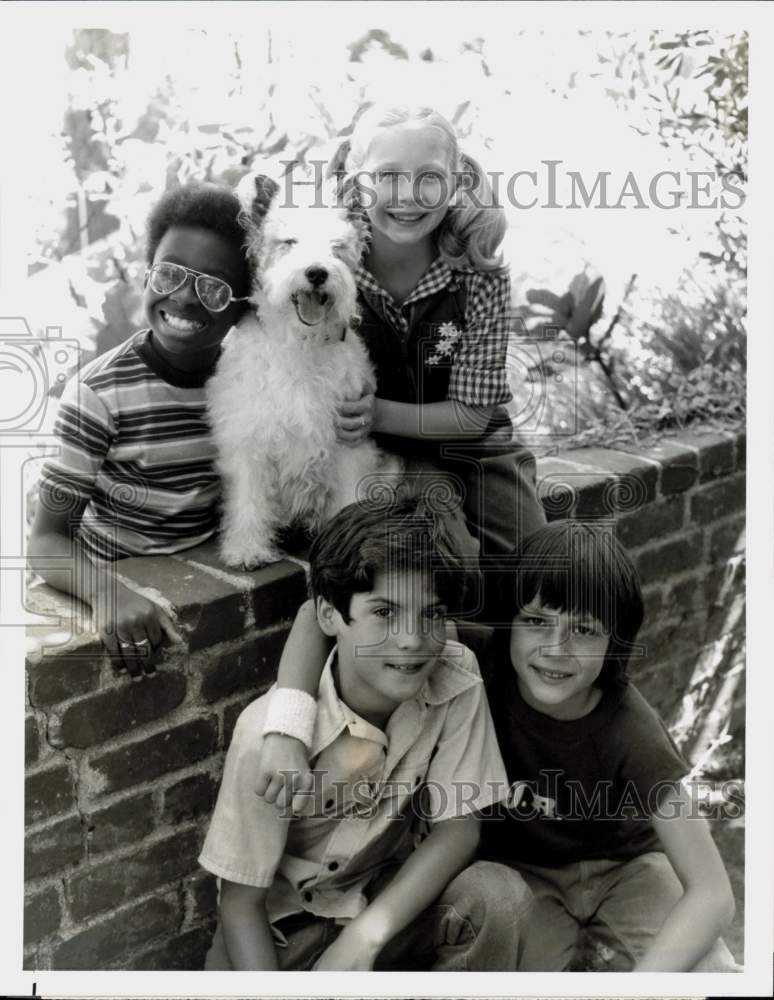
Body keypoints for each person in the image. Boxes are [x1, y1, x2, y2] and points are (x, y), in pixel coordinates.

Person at [254, 104, 546, 797]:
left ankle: (530, 739)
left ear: (457, 183)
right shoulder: (332, 255)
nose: (406, 195)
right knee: (398, 568)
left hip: (475, 446)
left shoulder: (478, 276)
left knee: (539, 568)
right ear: (356, 181)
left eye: (428, 178)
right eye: (387, 175)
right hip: (383, 455)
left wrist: (378, 409)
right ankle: (318, 728)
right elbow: (264, 295)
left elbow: (473, 413)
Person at [198, 495, 532, 971]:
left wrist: (366, 936)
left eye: (431, 614)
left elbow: (459, 830)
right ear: (330, 617)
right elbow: (240, 905)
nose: (412, 639)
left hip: (381, 908)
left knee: (500, 899)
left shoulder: (454, 679)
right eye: (384, 613)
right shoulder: (272, 737)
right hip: (282, 935)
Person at [476, 520, 738, 972]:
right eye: (536, 621)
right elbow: (334, 616)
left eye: (584, 629)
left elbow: (713, 894)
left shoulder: (632, 730)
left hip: (627, 868)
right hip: (526, 875)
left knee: (707, 969)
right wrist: (303, 721)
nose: (556, 649)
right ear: (508, 622)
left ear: (614, 643)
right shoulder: (478, 662)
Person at [27, 183, 251, 677]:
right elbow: (45, 542)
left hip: (205, 581)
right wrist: (107, 593)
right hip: (117, 575)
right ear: (147, 273)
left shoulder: (248, 379)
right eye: (169, 273)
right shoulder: (99, 393)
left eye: (214, 288)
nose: (185, 298)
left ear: (243, 306)